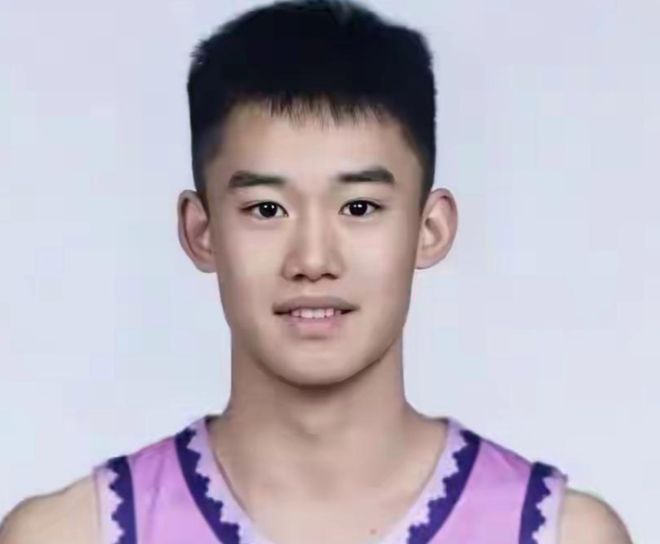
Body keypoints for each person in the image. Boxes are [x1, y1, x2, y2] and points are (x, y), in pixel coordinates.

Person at [0, 1, 633, 543]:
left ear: (431, 228)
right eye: (266, 209)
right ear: (201, 231)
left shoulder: (558, 533)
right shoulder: (72, 534)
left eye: (359, 207)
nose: (312, 261)